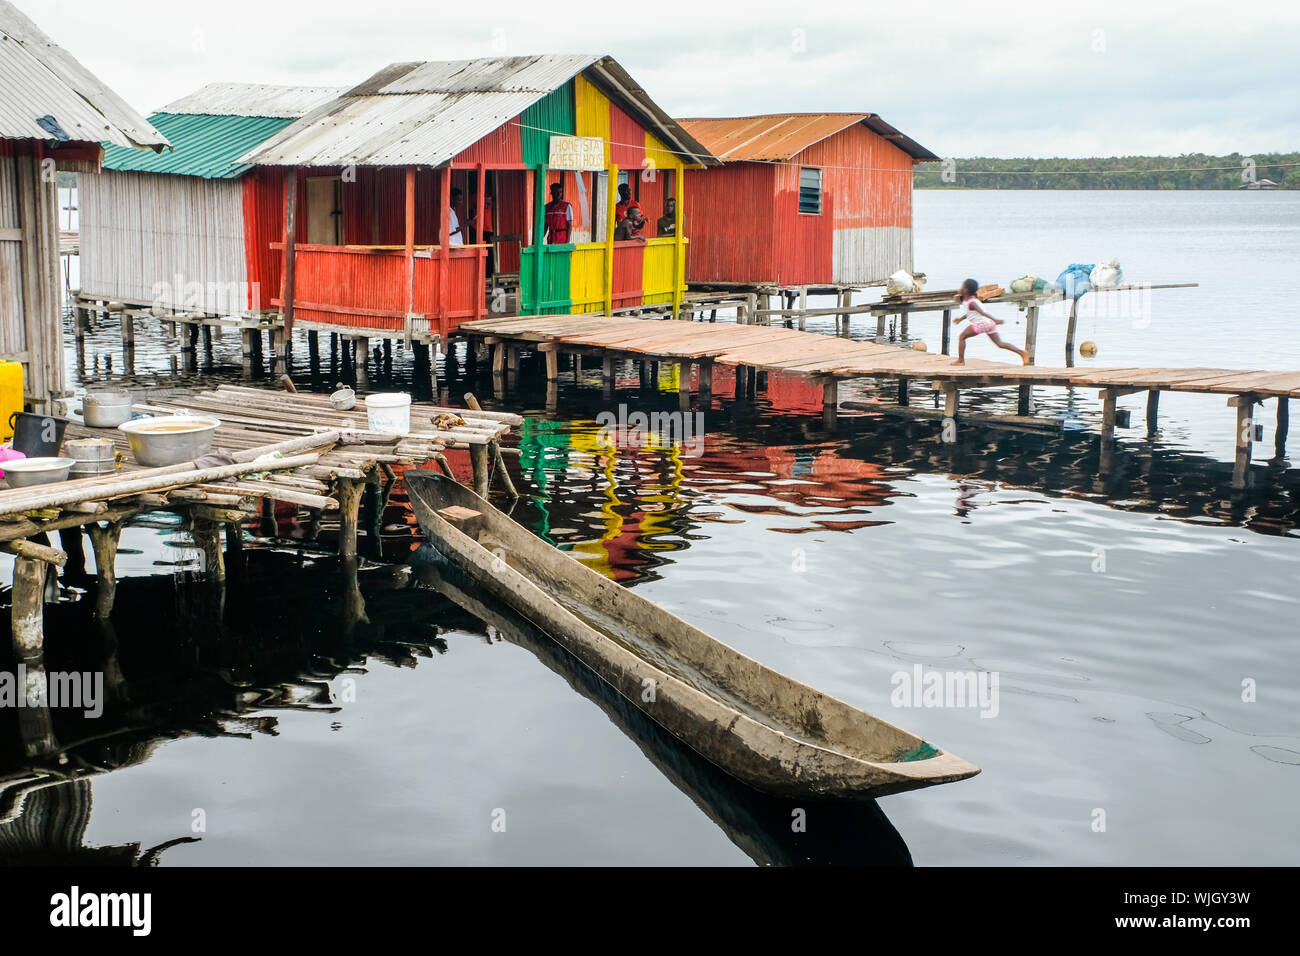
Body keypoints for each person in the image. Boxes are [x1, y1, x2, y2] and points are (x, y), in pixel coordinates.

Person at [953, 278, 1029, 365]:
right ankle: (1022, 353)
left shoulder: (971, 302)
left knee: (962, 337)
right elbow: (970, 313)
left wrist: (996, 320)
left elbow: (982, 313)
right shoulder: (971, 300)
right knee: (1000, 344)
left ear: (966, 290)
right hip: (989, 323)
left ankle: (961, 361)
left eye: (962, 287)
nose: (960, 289)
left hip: (982, 323)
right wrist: (960, 319)